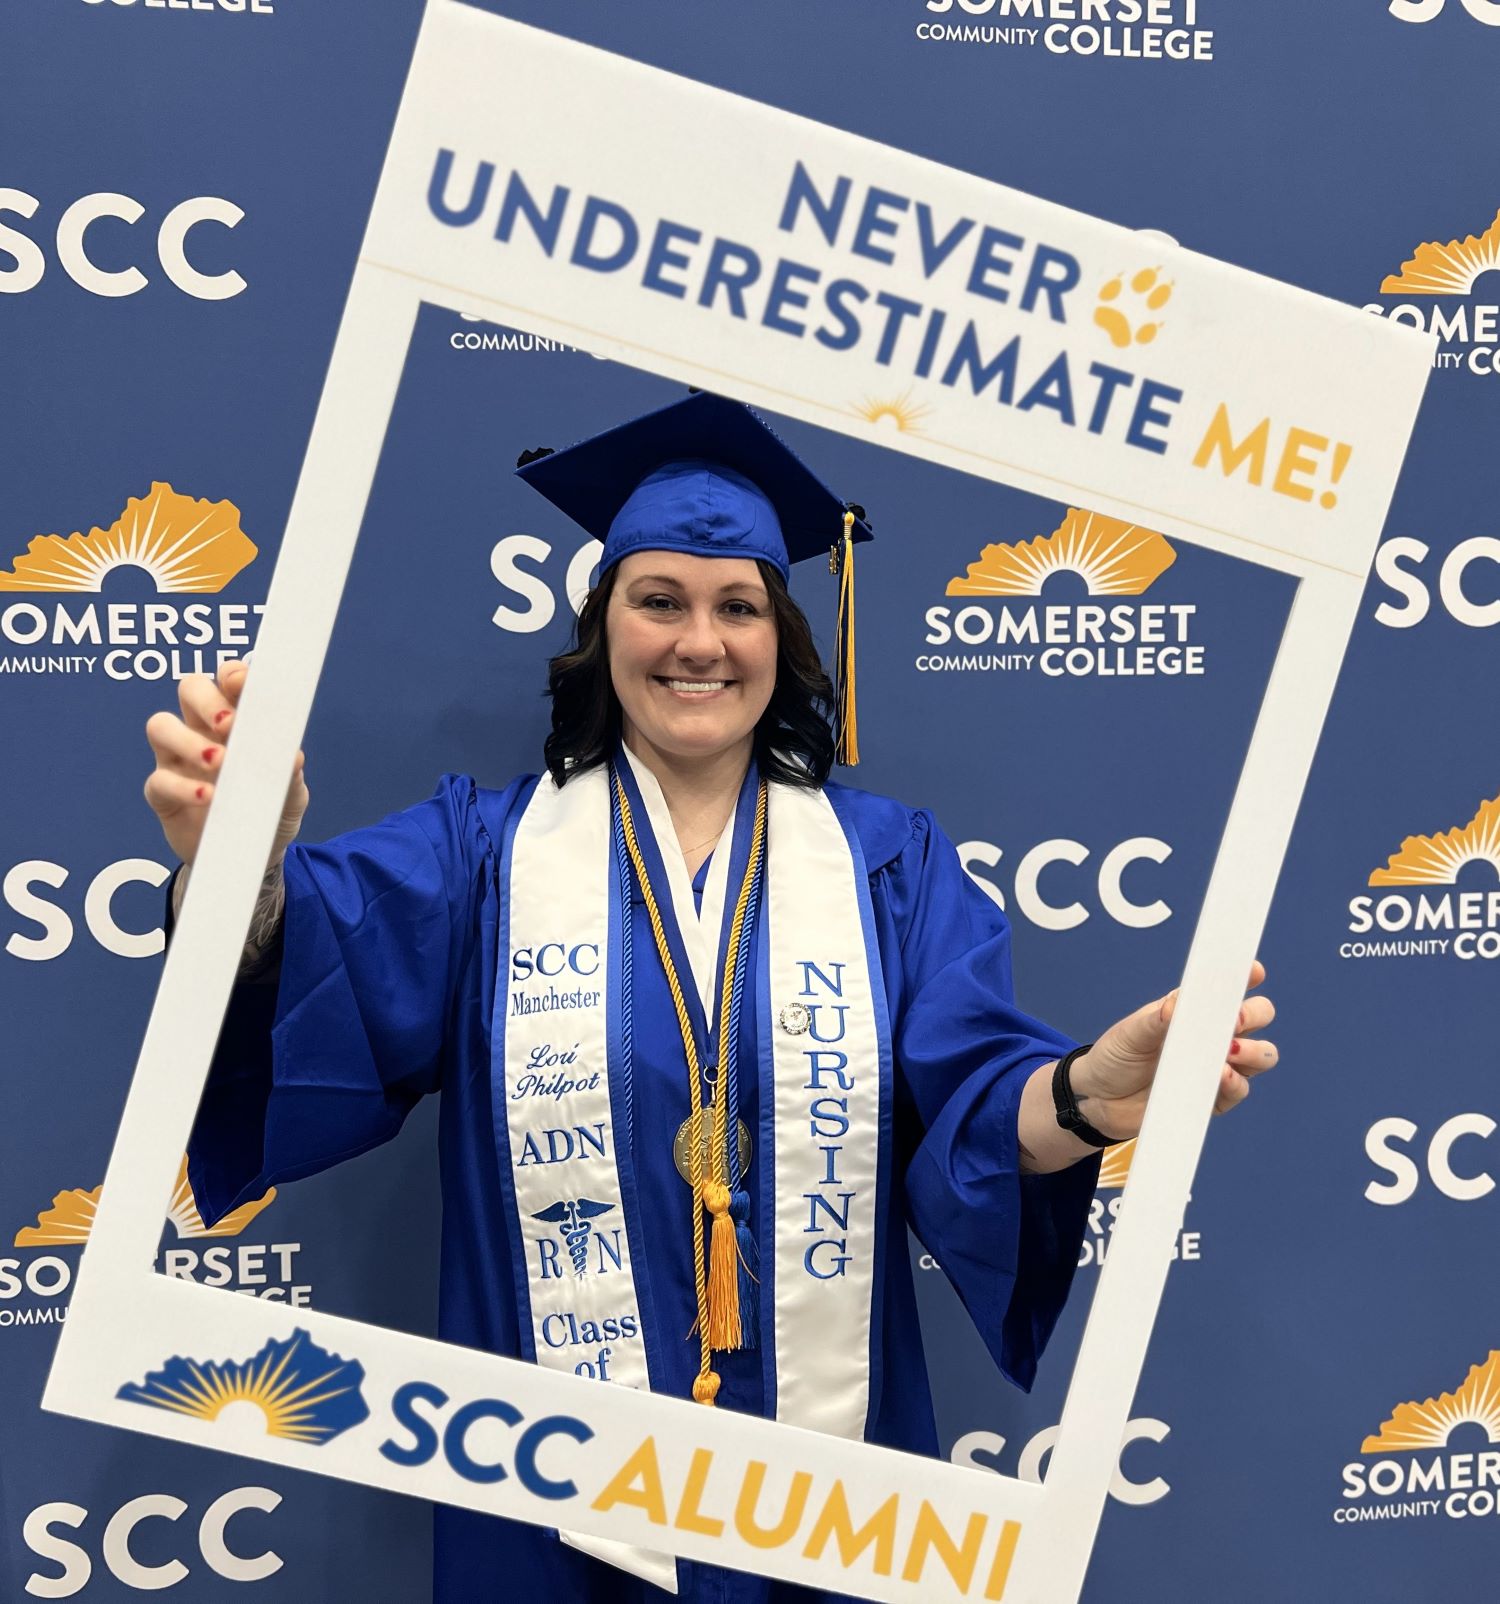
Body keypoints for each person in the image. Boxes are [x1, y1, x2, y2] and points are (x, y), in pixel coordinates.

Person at [145, 392, 1276, 1604]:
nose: (699, 641)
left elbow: (976, 1106)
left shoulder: (887, 862)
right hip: (554, 1500)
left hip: (825, 1496)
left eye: (737, 605)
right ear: (602, 626)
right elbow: (303, 969)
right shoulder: (484, 852)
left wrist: (1087, 1096)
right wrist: (237, 872)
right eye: (659, 600)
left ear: (784, 638)